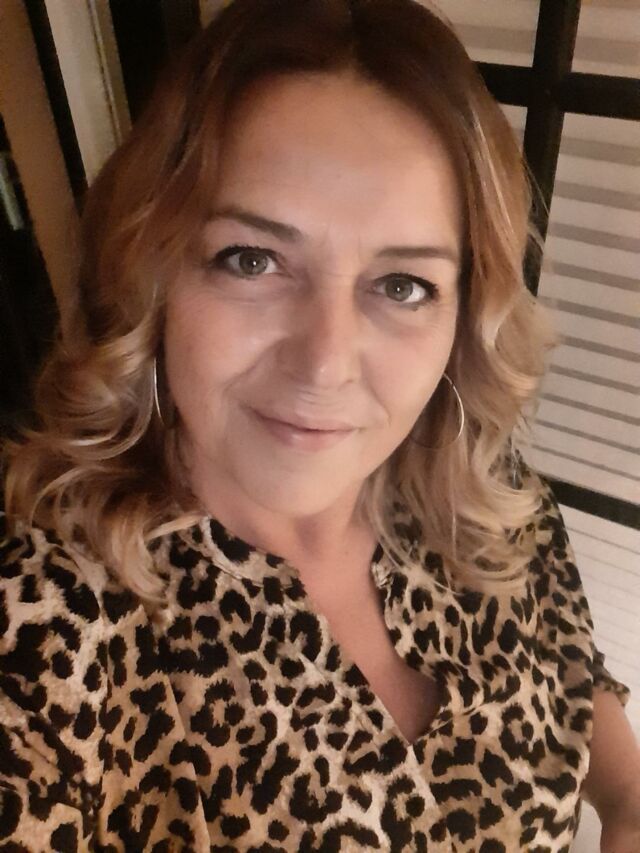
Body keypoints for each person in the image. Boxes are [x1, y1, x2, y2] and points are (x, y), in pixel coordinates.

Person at [1, 0, 637, 850]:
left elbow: (568, 663)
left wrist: (629, 796)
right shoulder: (46, 625)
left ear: (463, 316)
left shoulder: (490, 498)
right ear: (151, 274)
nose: (326, 362)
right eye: (252, 260)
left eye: (402, 285)